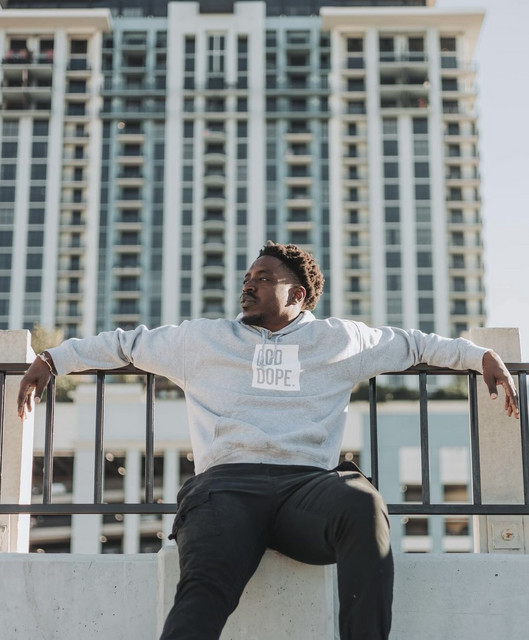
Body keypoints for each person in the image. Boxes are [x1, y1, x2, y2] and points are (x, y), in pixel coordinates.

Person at [18, 242, 518, 640]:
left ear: (297, 294)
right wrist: (53, 359)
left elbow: (416, 345)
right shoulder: (201, 340)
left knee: (363, 505)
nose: (248, 286)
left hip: (308, 490)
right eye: (247, 278)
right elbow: (125, 343)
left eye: (262, 278)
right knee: (204, 587)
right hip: (226, 489)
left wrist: (479, 357)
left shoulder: (340, 340)